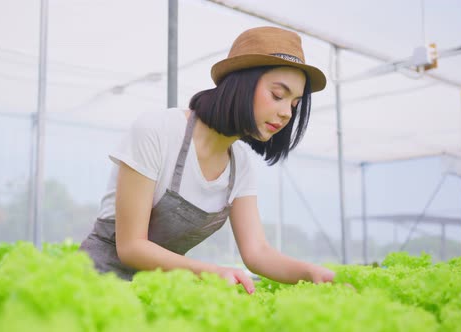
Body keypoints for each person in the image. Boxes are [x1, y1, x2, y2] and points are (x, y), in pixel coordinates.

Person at [79, 26, 335, 294]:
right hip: (96, 286)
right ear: (241, 83)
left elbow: (257, 252)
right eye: (278, 95)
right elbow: (131, 247)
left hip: (154, 293)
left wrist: (310, 272)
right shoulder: (158, 131)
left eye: (294, 105)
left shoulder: (240, 165)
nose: (286, 114)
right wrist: (213, 273)